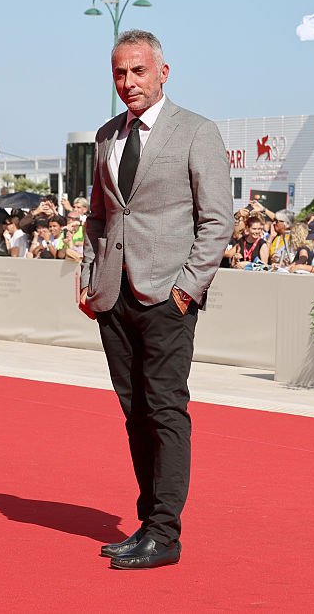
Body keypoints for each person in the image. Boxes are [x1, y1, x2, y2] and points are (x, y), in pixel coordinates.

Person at [79, 29, 231, 570]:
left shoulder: (196, 132)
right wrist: (88, 278)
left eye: (138, 71)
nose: (128, 83)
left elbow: (217, 221)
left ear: (163, 72)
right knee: (135, 413)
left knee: (166, 410)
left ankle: (166, 534)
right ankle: (147, 523)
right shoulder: (105, 136)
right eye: (119, 73)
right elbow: (99, 214)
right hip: (114, 297)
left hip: (168, 297)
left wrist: (186, 291)